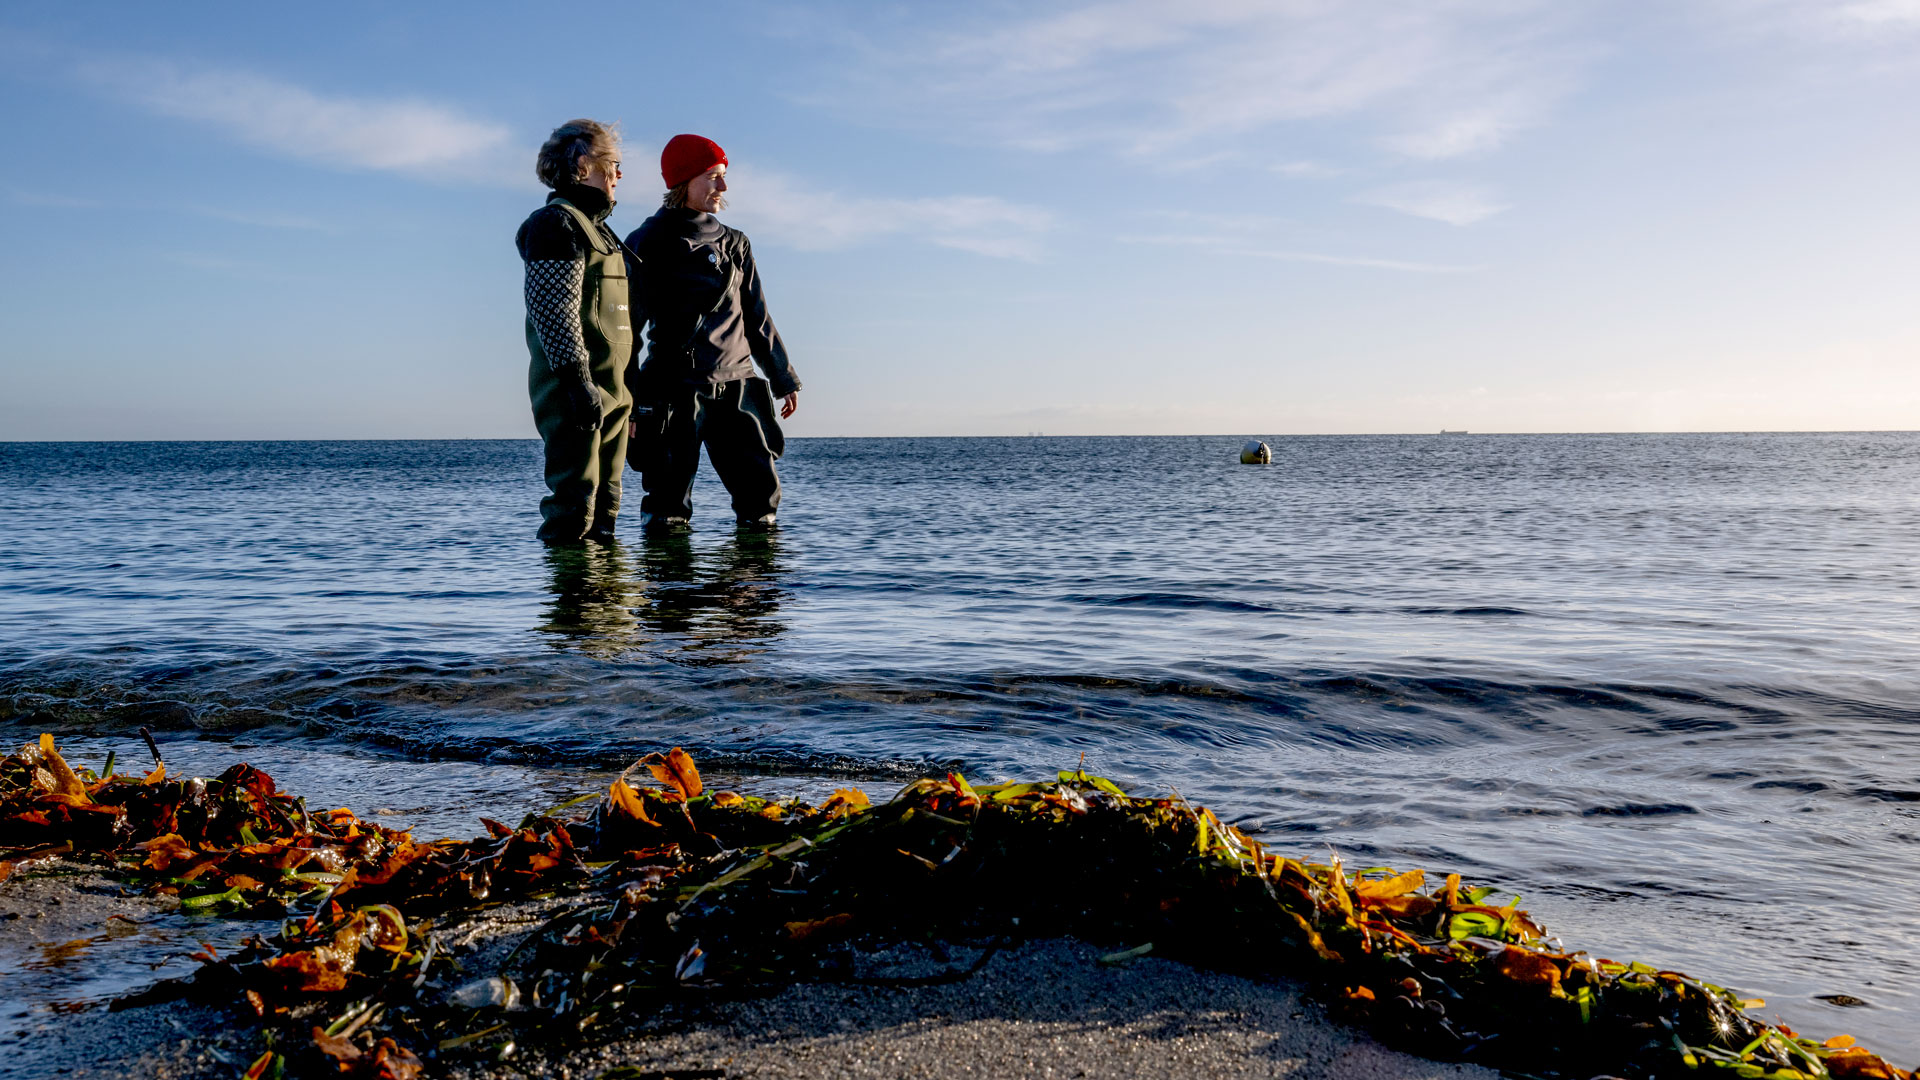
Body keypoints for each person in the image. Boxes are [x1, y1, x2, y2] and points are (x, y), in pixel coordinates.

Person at [624, 134, 801, 529]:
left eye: (723, 176)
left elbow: (757, 318)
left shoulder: (736, 243)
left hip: (738, 390)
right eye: (713, 176)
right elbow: (628, 332)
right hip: (673, 391)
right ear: (684, 182)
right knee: (666, 513)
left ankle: (757, 588)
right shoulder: (645, 243)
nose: (723, 187)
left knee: (761, 508)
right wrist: (631, 400)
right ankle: (672, 590)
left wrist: (783, 377)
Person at [516, 119, 633, 543]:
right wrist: (577, 382)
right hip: (575, 394)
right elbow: (553, 309)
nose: (619, 176)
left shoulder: (604, 234)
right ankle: (571, 605)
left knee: (606, 512)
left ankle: (611, 607)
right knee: (574, 508)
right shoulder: (555, 223)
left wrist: (629, 395)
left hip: (615, 394)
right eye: (615, 165)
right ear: (584, 164)